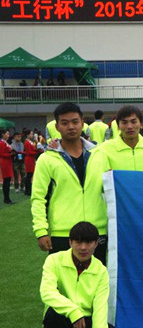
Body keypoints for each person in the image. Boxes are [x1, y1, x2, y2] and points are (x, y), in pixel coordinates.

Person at [40, 221, 123, 328]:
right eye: (78, 242)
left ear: (96, 244)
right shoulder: (54, 260)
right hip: (63, 318)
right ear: (70, 242)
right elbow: (47, 292)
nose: (83, 247)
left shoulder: (101, 271)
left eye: (88, 242)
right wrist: (73, 311)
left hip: (86, 322)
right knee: (52, 316)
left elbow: (100, 311)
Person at [31, 103, 108, 264]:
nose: (71, 127)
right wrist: (41, 231)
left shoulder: (100, 154)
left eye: (75, 122)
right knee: (63, 279)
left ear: (82, 123)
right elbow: (38, 198)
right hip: (62, 233)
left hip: (97, 231)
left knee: (96, 278)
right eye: (65, 123)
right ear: (57, 127)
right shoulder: (47, 159)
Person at [95, 105, 143, 172]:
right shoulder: (104, 150)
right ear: (118, 126)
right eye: (124, 122)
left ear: (141, 125)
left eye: (133, 122)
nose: (129, 126)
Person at [0, 129, 14, 204]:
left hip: (8, 161)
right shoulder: (2, 143)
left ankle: (7, 198)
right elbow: (2, 154)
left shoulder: (5, 142)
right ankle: (6, 199)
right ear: (3, 134)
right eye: (7, 134)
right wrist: (10, 154)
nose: (8, 135)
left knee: (8, 180)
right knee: (6, 181)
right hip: (5, 162)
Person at [23, 129, 38, 195]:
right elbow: (29, 152)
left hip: (31, 159)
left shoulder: (30, 142)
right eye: (31, 134)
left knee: (30, 175)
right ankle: (27, 190)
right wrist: (37, 152)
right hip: (29, 159)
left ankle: (28, 189)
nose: (32, 135)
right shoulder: (27, 142)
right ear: (27, 135)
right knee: (29, 175)